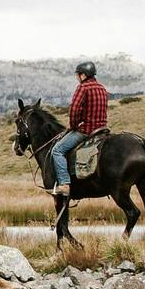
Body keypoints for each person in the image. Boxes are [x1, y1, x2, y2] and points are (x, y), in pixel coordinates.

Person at [49, 61, 108, 198]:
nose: (77, 77)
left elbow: (74, 109)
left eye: (78, 75)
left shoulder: (83, 88)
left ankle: (64, 184)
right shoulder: (102, 88)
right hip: (102, 130)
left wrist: (74, 126)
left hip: (87, 130)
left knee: (57, 150)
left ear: (83, 75)